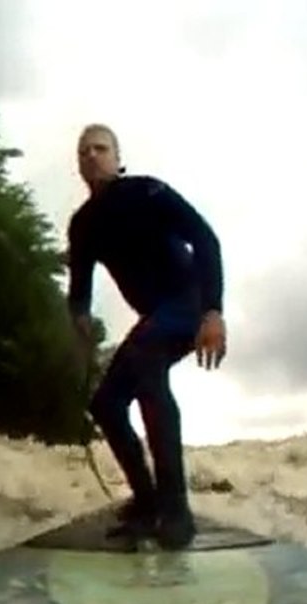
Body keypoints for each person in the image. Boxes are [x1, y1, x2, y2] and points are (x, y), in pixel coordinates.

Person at [67, 123, 226, 550]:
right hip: (155, 317)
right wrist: (79, 319)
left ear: (117, 158)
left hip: (189, 301)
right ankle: (146, 500)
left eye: (100, 148)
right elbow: (79, 288)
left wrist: (213, 311)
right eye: (84, 151)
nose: (92, 156)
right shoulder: (83, 225)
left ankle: (176, 513)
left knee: (146, 360)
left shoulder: (147, 192)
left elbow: (205, 239)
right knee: (105, 403)